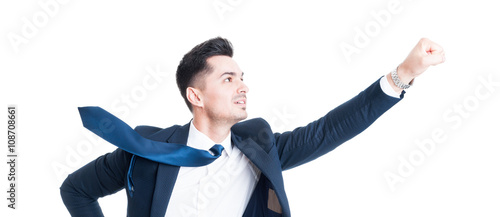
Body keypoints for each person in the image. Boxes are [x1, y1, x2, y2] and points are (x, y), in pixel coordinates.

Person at [60, 37, 445, 217]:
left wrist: (403, 75)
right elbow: (75, 190)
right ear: (196, 96)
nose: (243, 86)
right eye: (228, 79)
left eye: (242, 77)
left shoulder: (259, 150)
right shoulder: (145, 148)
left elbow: (330, 129)